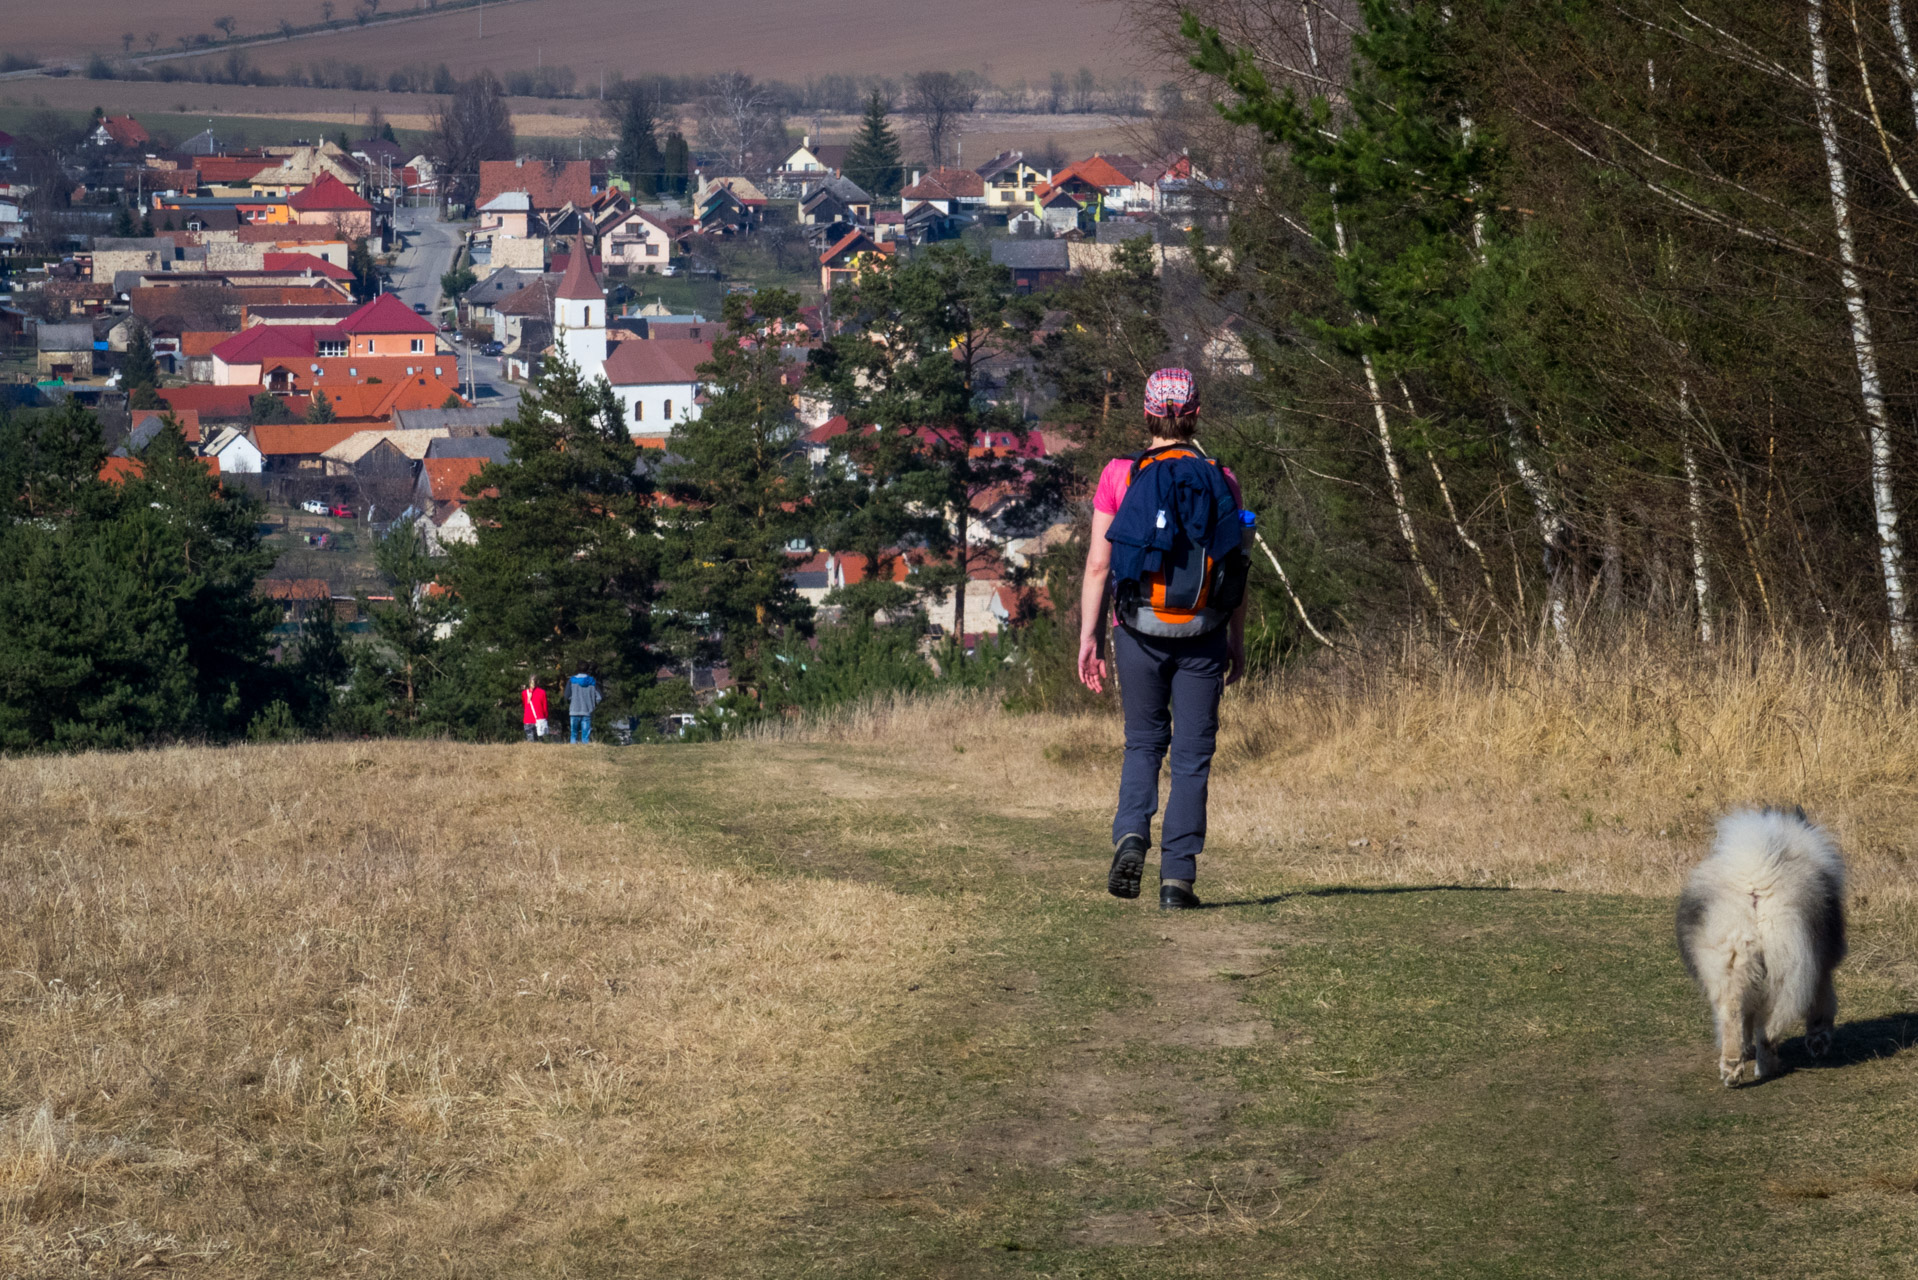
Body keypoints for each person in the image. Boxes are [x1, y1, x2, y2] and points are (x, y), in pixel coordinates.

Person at [1077, 368, 1247, 911]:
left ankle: (1130, 835)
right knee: (1193, 757)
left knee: (1144, 741)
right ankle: (1178, 882)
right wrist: (1235, 642)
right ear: (1195, 414)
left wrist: (1090, 639)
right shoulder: (1222, 476)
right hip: (1204, 633)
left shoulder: (1119, 474)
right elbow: (1235, 571)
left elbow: (1100, 566)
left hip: (1137, 631)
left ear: (1148, 414)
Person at [567, 669, 602, 744]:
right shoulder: (592, 681)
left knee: (574, 734)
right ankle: (585, 752)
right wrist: (593, 703)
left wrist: (573, 700)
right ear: (587, 670)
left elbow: (567, 695)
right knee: (585, 736)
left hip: (574, 710)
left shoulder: (571, 680)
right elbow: (599, 697)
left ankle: (572, 751)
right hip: (587, 710)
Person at [521, 675, 549, 743]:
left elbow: (524, 705)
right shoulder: (542, 692)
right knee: (540, 742)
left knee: (531, 742)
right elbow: (545, 708)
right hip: (539, 719)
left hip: (528, 719)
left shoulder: (524, 693)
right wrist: (546, 717)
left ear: (529, 682)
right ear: (538, 682)